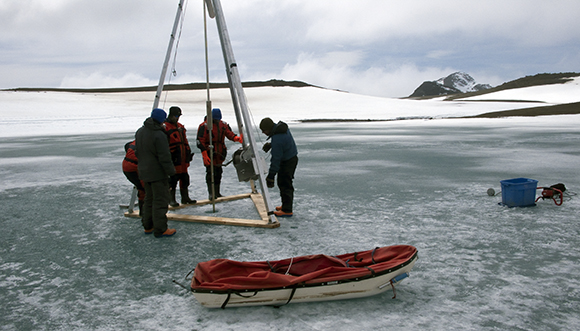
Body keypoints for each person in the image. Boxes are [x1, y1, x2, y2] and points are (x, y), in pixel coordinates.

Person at [135, 108, 176, 238]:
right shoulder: (159, 135)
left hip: (144, 172)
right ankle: (161, 229)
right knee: (160, 201)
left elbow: (137, 152)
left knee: (149, 199)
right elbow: (164, 157)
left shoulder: (140, 132)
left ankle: (148, 226)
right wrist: (171, 173)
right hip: (157, 174)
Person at [196, 108, 243, 199]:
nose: (217, 121)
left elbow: (229, 134)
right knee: (210, 173)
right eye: (215, 119)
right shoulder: (204, 126)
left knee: (218, 173)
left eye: (218, 119)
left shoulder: (223, 125)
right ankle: (211, 193)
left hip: (219, 153)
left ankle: (217, 192)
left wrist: (236, 138)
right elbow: (200, 141)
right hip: (210, 153)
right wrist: (204, 154)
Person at [259, 117, 298, 217]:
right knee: (283, 182)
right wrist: (271, 144)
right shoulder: (281, 129)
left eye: (264, 130)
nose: (263, 133)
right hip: (291, 158)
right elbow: (283, 142)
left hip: (287, 161)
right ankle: (285, 205)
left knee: (285, 183)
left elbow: (276, 160)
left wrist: (271, 176)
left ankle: (287, 210)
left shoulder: (277, 139)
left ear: (269, 128)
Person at [164, 106, 196, 207]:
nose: (177, 118)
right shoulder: (165, 127)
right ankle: (171, 199)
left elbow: (185, 141)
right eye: (176, 116)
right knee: (173, 180)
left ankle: (185, 197)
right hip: (174, 158)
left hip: (182, 158)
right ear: (171, 115)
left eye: (178, 116)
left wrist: (188, 152)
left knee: (185, 178)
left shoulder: (180, 127)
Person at [122, 140, 145, 215]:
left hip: (127, 167)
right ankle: (144, 213)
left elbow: (127, 145)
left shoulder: (138, 140)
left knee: (142, 188)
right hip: (134, 169)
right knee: (144, 188)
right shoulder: (150, 142)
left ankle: (144, 211)